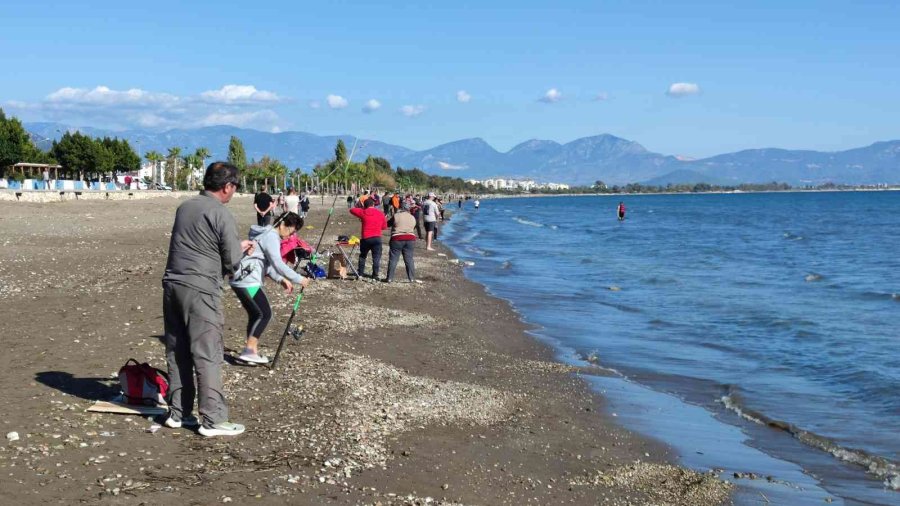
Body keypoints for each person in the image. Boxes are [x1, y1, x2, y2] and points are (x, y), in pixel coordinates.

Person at [162, 161, 253, 437]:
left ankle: (178, 413)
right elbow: (232, 262)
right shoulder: (220, 213)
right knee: (207, 353)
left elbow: (197, 243)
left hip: (172, 285)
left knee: (177, 352)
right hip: (201, 290)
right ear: (227, 187)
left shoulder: (185, 207)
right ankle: (212, 420)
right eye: (234, 187)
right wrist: (241, 250)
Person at [230, 212, 311, 364]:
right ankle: (249, 351)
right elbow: (277, 263)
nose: (289, 237)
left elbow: (266, 264)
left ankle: (251, 352)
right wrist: (299, 279)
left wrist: (281, 280)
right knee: (264, 314)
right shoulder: (271, 236)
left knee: (256, 314)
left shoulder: (264, 233)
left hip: (241, 279)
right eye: (290, 232)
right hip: (247, 281)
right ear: (282, 225)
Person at [349, 198, 388, 278]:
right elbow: (384, 227)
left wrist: (363, 209)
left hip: (366, 238)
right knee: (376, 257)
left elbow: (352, 210)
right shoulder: (380, 213)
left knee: (363, 256)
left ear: (365, 205)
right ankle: (375, 274)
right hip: (377, 237)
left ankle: (360, 273)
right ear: (373, 205)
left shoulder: (363, 212)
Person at [385, 200, 418, 283]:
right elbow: (414, 227)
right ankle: (412, 278)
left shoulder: (396, 215)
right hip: (410, 238)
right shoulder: (412, 217)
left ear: (400, 207)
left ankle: (389, 278)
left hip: (397, 238)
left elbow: (387, 224)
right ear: (408, 209)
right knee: (409, 259)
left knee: (393, 259)